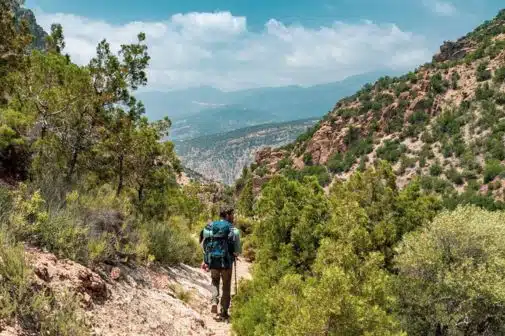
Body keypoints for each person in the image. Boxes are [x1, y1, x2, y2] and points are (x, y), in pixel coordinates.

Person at [200, 205, 241, 321]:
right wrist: (235, 254)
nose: (233, 217)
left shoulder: (211, 226)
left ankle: (214, 301)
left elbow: (204, 242)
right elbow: (237, 250)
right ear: (227, 215)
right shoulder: (233, 229)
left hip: (213, 260)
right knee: (226, 286)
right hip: (227, 263)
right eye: (232, 214)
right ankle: (224, 311)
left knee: (214, 281)